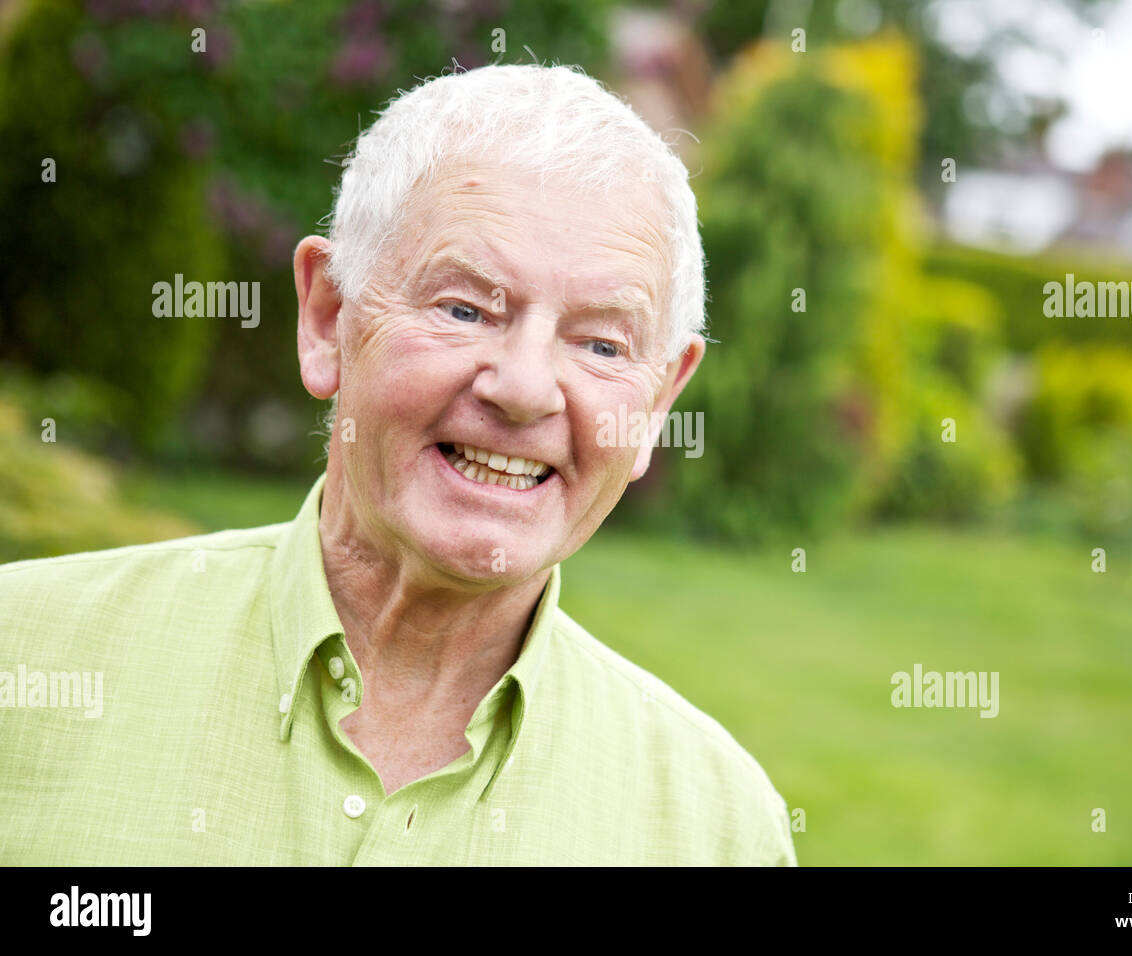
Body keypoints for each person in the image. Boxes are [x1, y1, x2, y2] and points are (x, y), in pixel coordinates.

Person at [0, 64, 796, 865]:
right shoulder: (21, 659)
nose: (523, 390)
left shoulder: (720, 830)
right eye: (465, 308)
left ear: (658, 400)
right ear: (328, 317)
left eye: (600, 344)